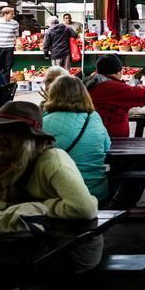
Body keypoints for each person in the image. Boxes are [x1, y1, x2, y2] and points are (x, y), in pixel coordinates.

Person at [0, 100, 99, 240]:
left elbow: (84, 209)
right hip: (32, 241)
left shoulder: (53, 160)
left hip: (73, 247)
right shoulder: (2, 163)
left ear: (30, 138)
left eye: (8, 130)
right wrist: (13, 207)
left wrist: (34, 207)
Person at [39, 74, 108, 202]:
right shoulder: (93, 117)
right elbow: (106, 146)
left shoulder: (44, 122)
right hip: (95, 191)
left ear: (52, 95)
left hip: (57, 192)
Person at [84, 55, 145, 140]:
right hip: (111, 138)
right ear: (119, 71)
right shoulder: (113, 87)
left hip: (91, 133)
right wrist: (140, 85)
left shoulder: (89, 82)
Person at [0, 7, 22, 79]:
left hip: (9, 47)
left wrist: (19, 43)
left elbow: (17, 36)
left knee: (7, 68)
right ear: (5, 14)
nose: (13, 15)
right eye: (12, 14)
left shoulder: (15, 23)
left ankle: (6, 85)